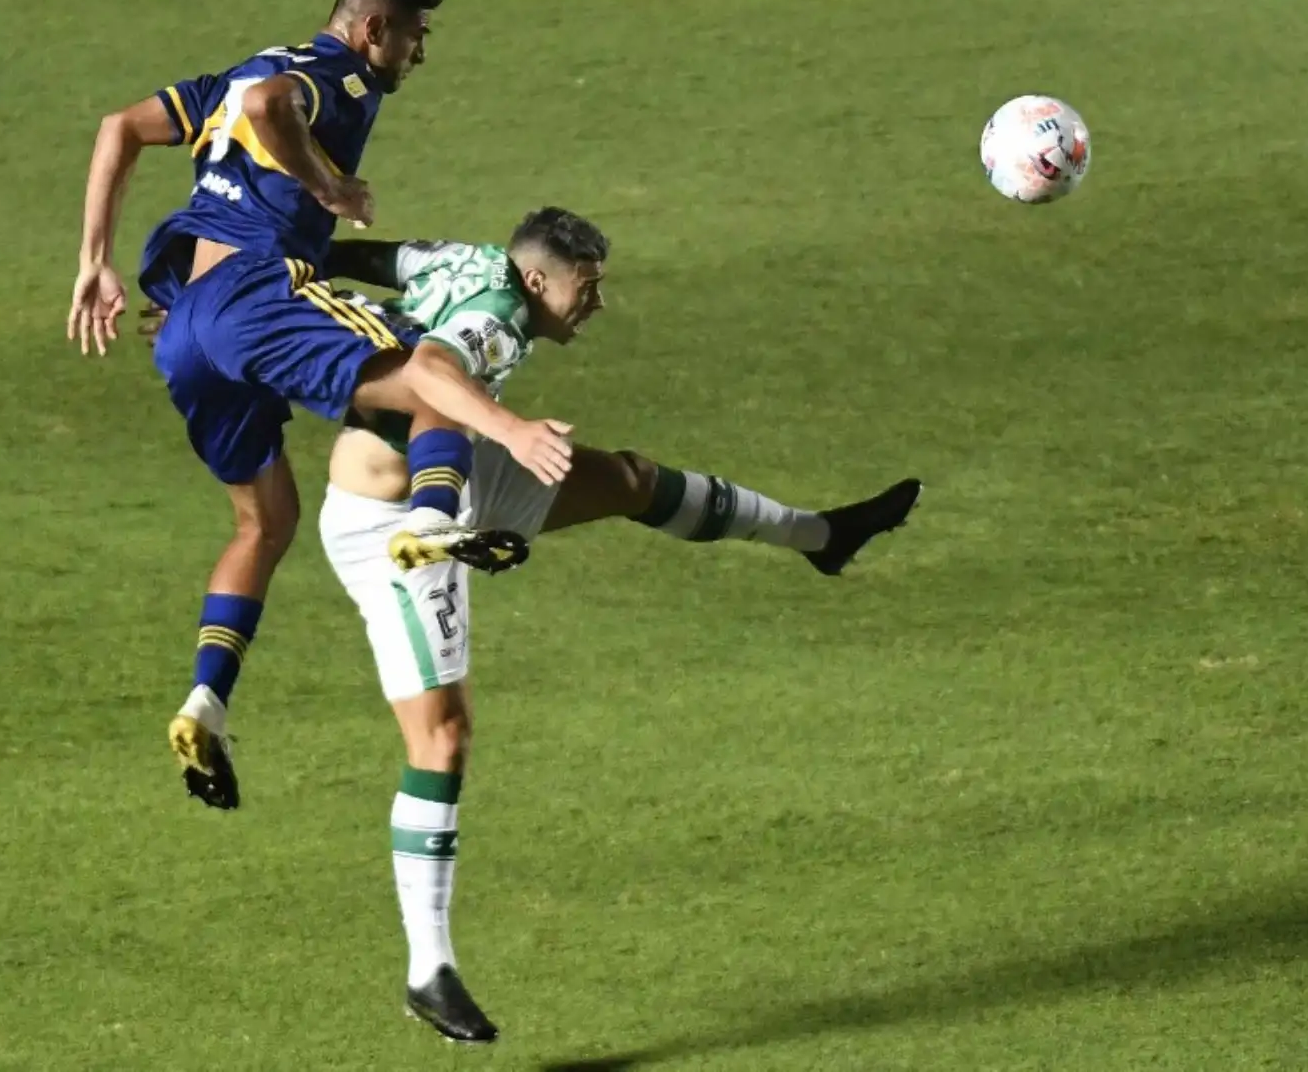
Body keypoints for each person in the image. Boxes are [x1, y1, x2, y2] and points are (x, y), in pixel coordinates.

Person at [314, 207, 921, 1041]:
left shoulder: (460, 260)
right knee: (441, 738)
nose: (596, 303)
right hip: (391, 531)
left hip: (455, 479)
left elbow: (376, 255)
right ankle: (429, 969)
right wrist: (508, 435)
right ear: (537, 280)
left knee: (632, 482)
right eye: (587, 287)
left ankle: (824, 536)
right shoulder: (497, 318)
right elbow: (434, 369)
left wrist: (288, 271)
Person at [65, 0, 572, 811]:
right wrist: (328, 187)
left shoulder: (232, 76)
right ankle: (430, 520)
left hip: (190, 323)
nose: (418, 53)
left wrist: (93, 261)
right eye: (414, 34)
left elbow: (121, 128)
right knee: (435, 365)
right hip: (256, 296)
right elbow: (272, 108)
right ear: (373, 29)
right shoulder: (332, 75)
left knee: (266, 523)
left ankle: (206, 700)